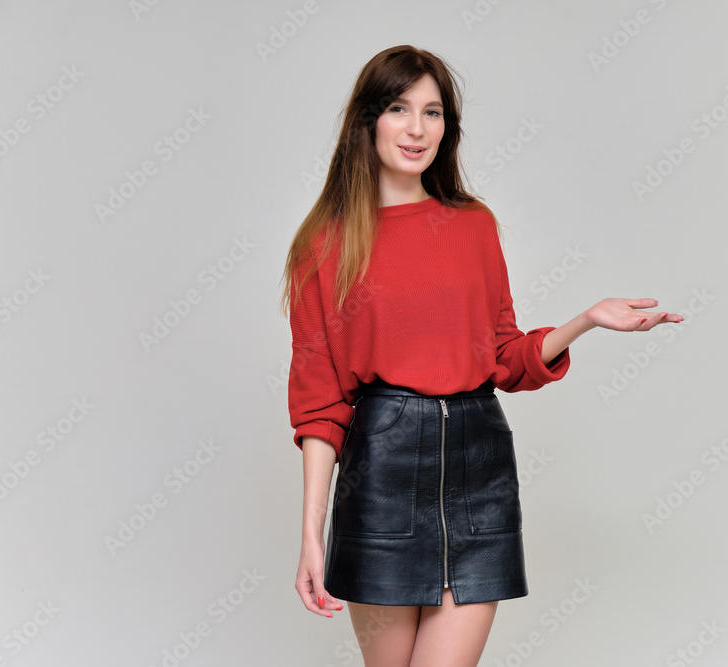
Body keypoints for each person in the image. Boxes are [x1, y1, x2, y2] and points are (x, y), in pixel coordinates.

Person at [280, 44, 683, 667]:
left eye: (433, 112)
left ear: (449, 126)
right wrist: (311, 535)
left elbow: (502, 356)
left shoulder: (473, 226)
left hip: (479, 468)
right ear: (368, 121)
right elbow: (319, 401)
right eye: (399, 108)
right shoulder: (324, 246)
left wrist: (586, 321)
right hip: (381, 478)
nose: (417, 129)